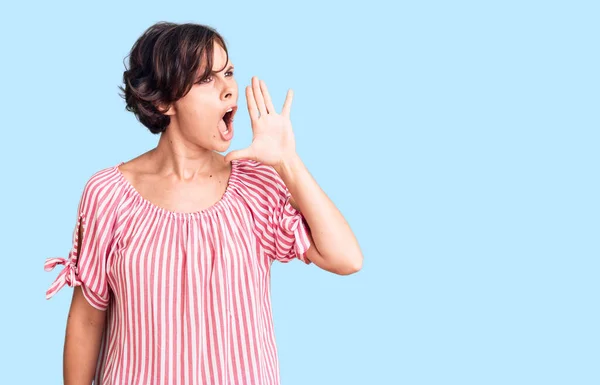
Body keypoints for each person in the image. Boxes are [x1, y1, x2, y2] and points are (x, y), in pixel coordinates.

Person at [44, 21, 362, 385]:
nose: (229, 90)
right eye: (207, 79)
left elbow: (346, 258)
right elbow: (87, 320)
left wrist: (288, 162)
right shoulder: (108, 194)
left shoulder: (255, 186)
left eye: (228, 72)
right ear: (164, 101)